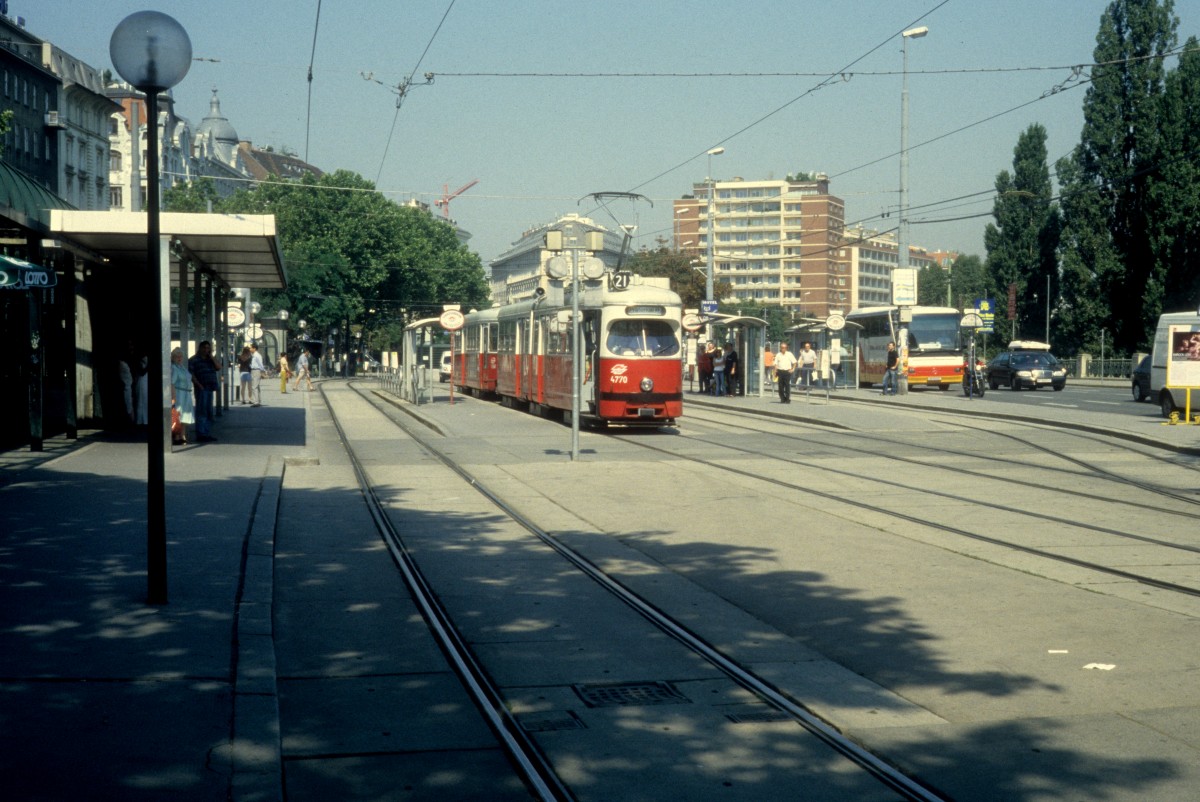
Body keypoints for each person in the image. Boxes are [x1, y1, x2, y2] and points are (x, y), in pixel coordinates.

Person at [188, 341, 221, 442]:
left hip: (210, 387)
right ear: (200, 348)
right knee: (201, 411)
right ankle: (201, 433)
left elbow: (218, 367)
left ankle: (206, 432)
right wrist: (198, 384)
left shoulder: (210, 359)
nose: (206, 350)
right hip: (201, 387)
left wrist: (211, 357)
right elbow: (191, 374)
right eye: (204, 348)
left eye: (208, 348)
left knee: (208, 411)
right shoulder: (194, 360)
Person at [169, 347, 194, 446]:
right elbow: (172, 383)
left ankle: (182, 435)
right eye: (177, 356)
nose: (179, 358)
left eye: (180, 356)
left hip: (186, 394)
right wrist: (174, 398)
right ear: (173, 357)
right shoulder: (174, 368)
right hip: (179, 394)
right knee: (178, 416)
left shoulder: (182, 367)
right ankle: (177, 436)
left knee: (185, 416)